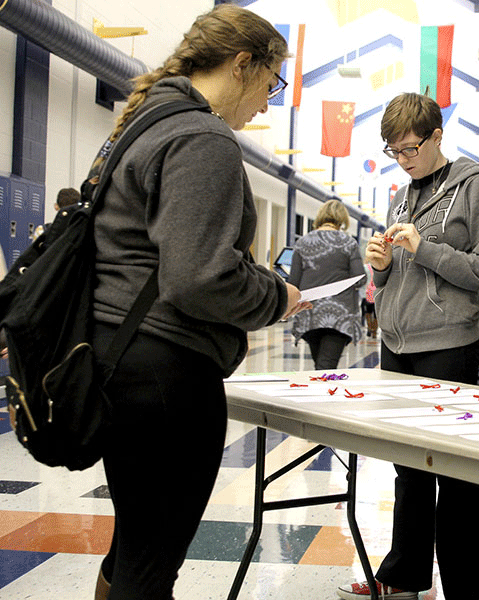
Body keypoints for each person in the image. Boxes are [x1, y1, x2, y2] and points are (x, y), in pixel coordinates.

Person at [88, 5, 308, 599]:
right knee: (151, 564)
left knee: (134, 544)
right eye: (270, 84)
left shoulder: (143, 124)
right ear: (242, 65)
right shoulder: (201, 135)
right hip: (165, 373)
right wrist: (275, 294)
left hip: (114, 359)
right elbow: (197, 277)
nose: (267, 103)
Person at [337, 92, 479, 600]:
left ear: (437, 136)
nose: (405, 158)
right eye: (395, 151)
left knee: (454, 475)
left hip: (447, 344)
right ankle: (404, 578)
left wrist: (426, 249)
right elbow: (391, 284)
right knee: (407, 471)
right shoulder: (402, 195)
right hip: (398, 344)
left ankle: (461, 590)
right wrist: (383, 266)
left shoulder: (476, 186)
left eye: (411, 147)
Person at [288, 199, 365, 369]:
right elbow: (360, 279)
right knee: (326, 366)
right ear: (342, 219)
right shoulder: (348, 243)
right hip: (339, 315)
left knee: (321, 365)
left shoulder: (302, 243)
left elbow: (293, 282)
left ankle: (321, 392)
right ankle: (322, 393)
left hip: (309, 314)